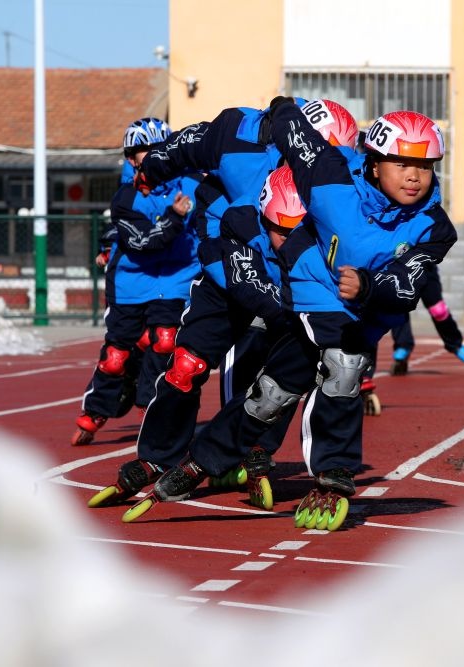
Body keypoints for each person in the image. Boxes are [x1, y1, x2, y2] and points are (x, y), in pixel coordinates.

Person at [125, 101, 458, 532]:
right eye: (400, 164)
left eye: (425, 167)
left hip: (366, 308)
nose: (414, 176)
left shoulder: (435, 225)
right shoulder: (328, 176)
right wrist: (281, 107)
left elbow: (410, 282)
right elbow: (291, 132)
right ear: (373, 165)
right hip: (311, 293)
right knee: (339, 368)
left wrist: (371, 286)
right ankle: (299, 468)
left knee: (275, 393)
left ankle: (221, 460)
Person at [86, 101, 360, 509]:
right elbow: (181, 148)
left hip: (291, 278)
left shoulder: (342, 179)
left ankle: (255, 451)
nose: (316, 172)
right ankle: (157, 456)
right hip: (225, 262)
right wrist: (150, 172)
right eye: (310, 158)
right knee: (185, 367)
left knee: (280, 377)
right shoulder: (237, 131)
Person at [71, 118, 213, 445]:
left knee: (164, 340)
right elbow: (143, 242)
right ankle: (96, 409)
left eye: (151, 150)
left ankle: (151, 405)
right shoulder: (126, 197)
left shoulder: (194, 183)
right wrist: (174, 218)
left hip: (178, 275)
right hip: (131, 279)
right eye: (136, 152)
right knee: (115, 357)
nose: (143, 157)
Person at [388, 264, 464, 375]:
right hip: (398, 266)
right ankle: (403, 345)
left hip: (425, 263)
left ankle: (455, 344)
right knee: (399, 305)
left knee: (438, 310)